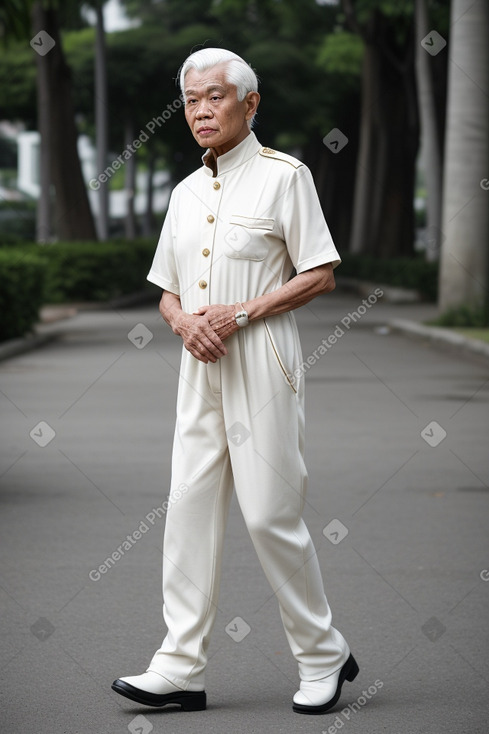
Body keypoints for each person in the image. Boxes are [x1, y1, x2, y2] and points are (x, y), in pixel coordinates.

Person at [112, 47, 358, 716]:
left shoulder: (286, 177)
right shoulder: (186, 193)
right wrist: (180, 324)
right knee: (187, 510)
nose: (200, 110)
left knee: (269, 514)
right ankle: (179, 667)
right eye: (191, 99)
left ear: (250, 104)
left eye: (214, 97)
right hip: (199, 363)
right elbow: (165, 290)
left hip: (263, 363)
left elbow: (320, 274)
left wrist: (240, 311)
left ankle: (321, 655)